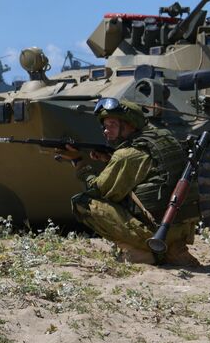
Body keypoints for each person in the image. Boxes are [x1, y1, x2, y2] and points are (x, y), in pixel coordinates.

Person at [68, 98, 198, 265]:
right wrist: (110, 160)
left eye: (112, 125)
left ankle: (143, 253)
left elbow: (98, 190)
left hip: (160, 232)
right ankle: (173, 248)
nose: (106, 131)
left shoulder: (127, 155)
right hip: (180, 228)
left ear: (130, 124)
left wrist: (79, 163)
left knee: (84, 203)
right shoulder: (164, 138)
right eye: (105, 126)